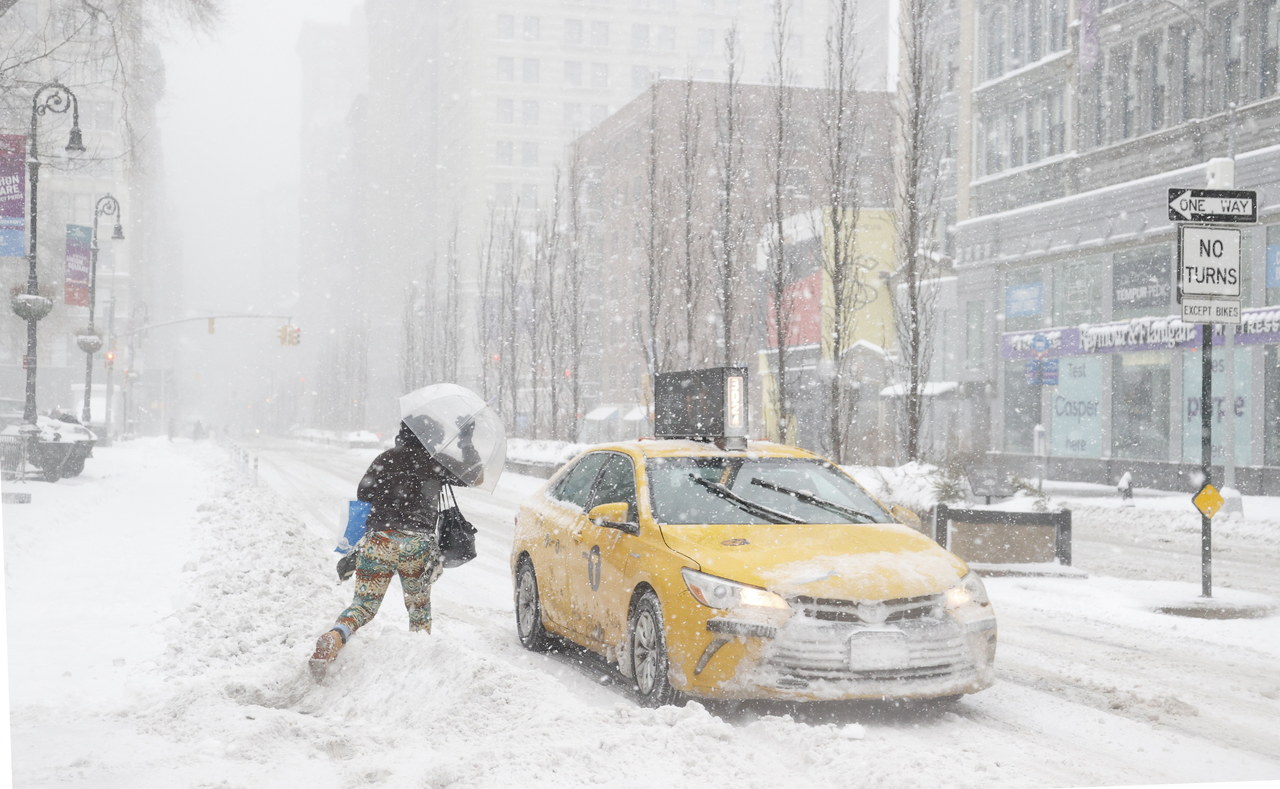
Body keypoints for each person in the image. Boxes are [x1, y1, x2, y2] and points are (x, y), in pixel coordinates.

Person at [309, 414, 480, 679]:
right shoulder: (435, 462)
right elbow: (475, 475)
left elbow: (362, 495)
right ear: (430, 438)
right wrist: (466, 441)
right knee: (418, 609)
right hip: (417, 545)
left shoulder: (384, 459)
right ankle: (417, 669)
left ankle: (337, 635)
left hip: (378, 541)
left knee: (363, 605)